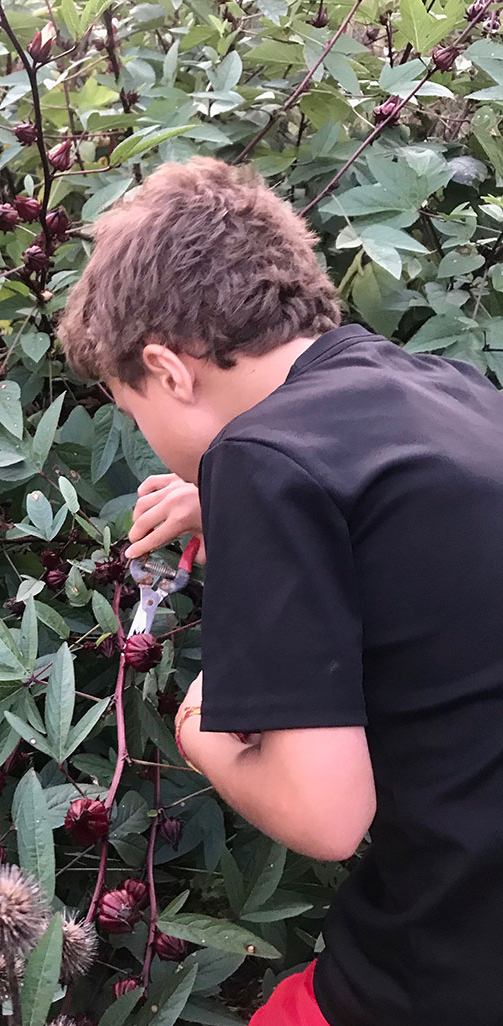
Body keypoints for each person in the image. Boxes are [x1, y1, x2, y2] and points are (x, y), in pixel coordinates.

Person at [56, 155, 503, 1026]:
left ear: (169, 369)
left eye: (132, 408)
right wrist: (220, 507)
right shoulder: (448, 391)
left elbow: (327, 816)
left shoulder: (260, 459)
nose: (148, 442)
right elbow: (421, 571)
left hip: (453, 966)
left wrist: (200, 734)